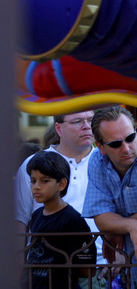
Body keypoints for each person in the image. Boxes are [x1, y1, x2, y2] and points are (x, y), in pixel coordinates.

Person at [82, 106, 137, 288]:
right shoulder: (96, 160)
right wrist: (130, 225)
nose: (126, 148)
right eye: (116, 144)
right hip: (129, 267)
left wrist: (117, 227)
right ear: (100, 147)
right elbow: (101, 219)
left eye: (131, 138)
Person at [16, 111, 103, 263]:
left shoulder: (107, 162)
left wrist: (119, 255)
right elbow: (18, 219)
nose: (87, 126)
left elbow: (122, 213)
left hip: (100, 267)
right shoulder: (34, 163)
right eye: (77, 121)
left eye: (91, 120)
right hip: (45, 268)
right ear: (58, 128)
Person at [25, 151, 96, 289]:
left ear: (61, 184)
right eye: (33, 180)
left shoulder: (72, 220)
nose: (36, 186)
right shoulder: (37, 215)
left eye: (44, 181)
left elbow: (87, 269)